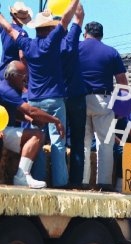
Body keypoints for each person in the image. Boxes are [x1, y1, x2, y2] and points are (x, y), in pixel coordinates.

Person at [0, 0, 79, 188]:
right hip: (54, 97)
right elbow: (66, 19)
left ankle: (38, 177)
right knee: (58, 143)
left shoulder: (27, 44)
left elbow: (9, 30)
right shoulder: (52, 42)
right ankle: (60, 183)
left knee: (38, 138)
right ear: (50, 29)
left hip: (34, 99)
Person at [79, 20, 128, 190]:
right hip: (103, 100)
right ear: (101, 35)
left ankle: (83, 182)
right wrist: (123, 108)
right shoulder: (111, 52)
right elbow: (122, 81)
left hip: (80, 99)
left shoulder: (76, 48)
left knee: (83, 143)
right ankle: (104, 183)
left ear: (86, 33)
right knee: (105, 144)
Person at [0, 60, 64, 188]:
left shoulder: (10, 88)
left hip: (4, 128)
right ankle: (22, 176)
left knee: (36, 135)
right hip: (2, 131)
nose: (26, 79)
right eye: (23, 77)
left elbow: (13, 114)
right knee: (37, 136)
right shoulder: (6, 90)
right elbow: (30, 110)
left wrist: (30, 120)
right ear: (12, 76)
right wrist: (55, 120)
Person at [61, 3, 87, 188]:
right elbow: (79, 16)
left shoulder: (47, 47)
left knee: (58, 140)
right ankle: (76, 181)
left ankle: (59, 178)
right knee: (78, 141)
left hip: (58, 95)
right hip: (76, 95)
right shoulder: (70, 42)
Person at [0, 1, 32, 80]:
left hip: (2, 72)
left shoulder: (4, 29)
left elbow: (3, 22)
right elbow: (22, 56)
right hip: (14, 76)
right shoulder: (22, 33)